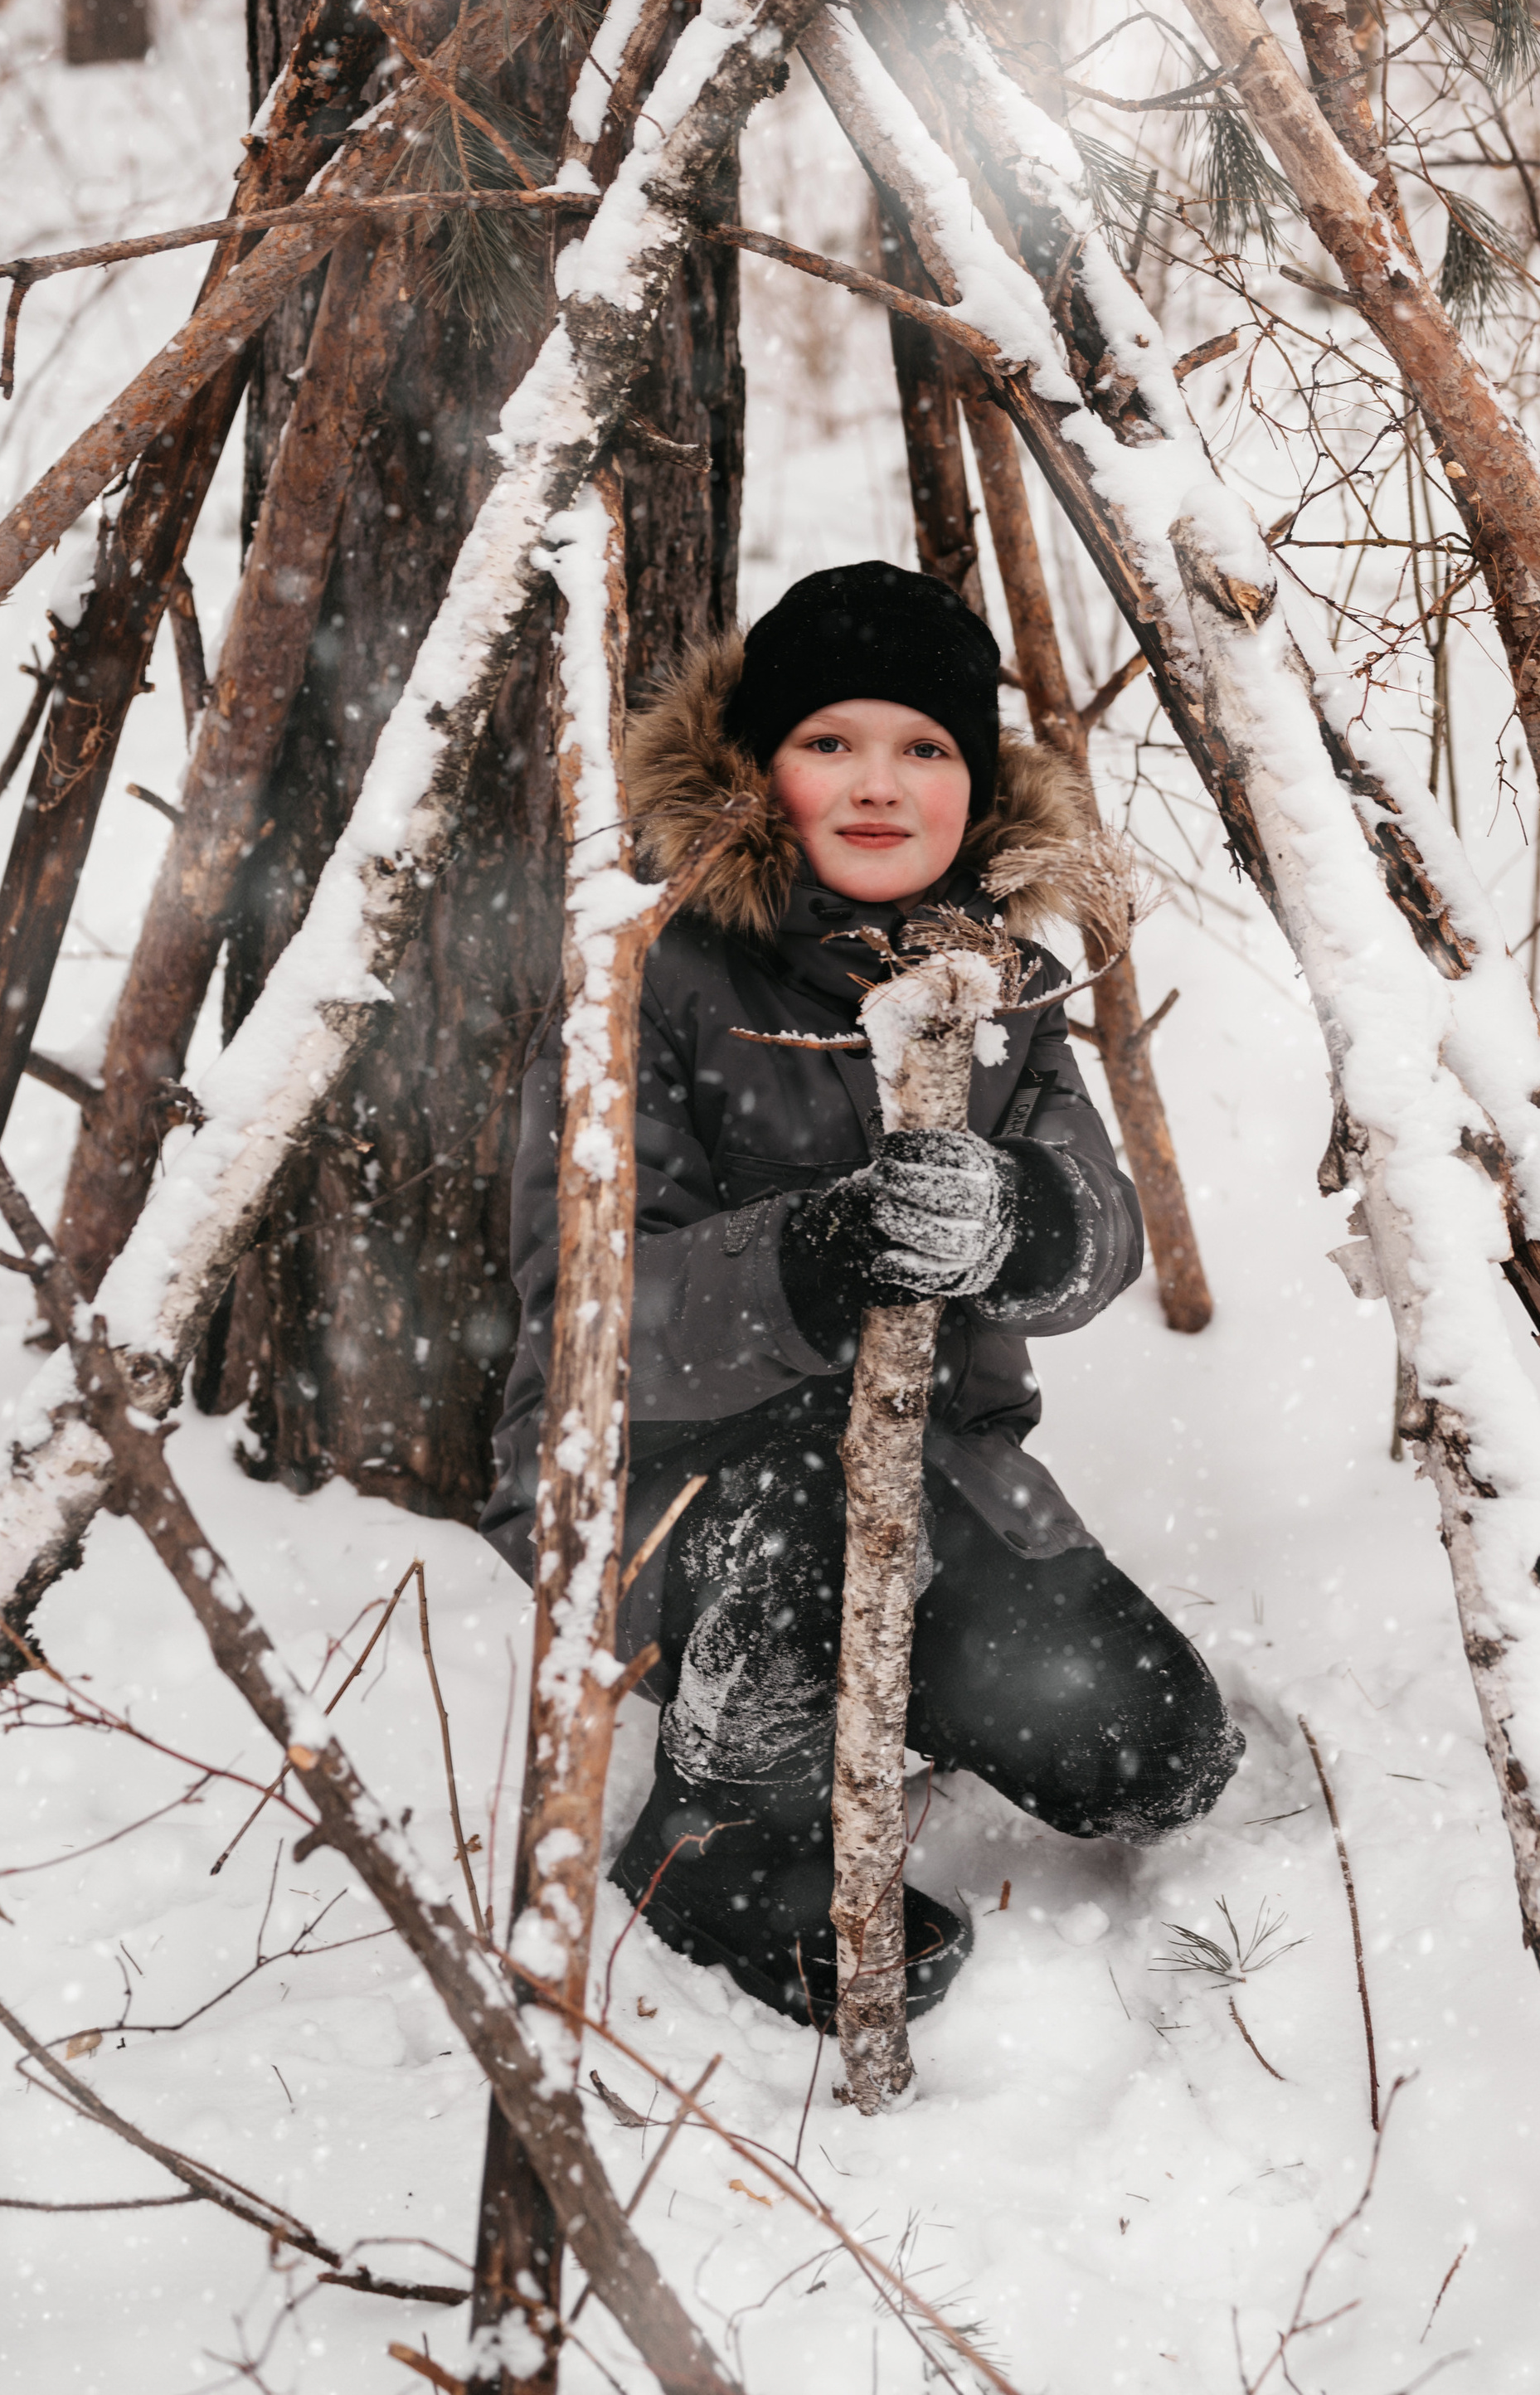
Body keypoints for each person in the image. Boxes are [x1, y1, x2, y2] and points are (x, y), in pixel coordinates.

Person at [483, 560, 1241, 2028]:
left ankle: (878, 1687)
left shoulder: (1001, 980)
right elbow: (590, 1324)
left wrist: (1016, 1223)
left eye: (926, 748)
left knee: (1151, 1753)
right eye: (830, 742)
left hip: (933, 1480)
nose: (878, 785)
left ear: (980, 786)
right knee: (792, 1509)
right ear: (759, 769)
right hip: (652, 1496)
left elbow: (1101, 1231)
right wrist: (809, 1261)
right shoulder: (654, 971)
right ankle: (719, 1835)